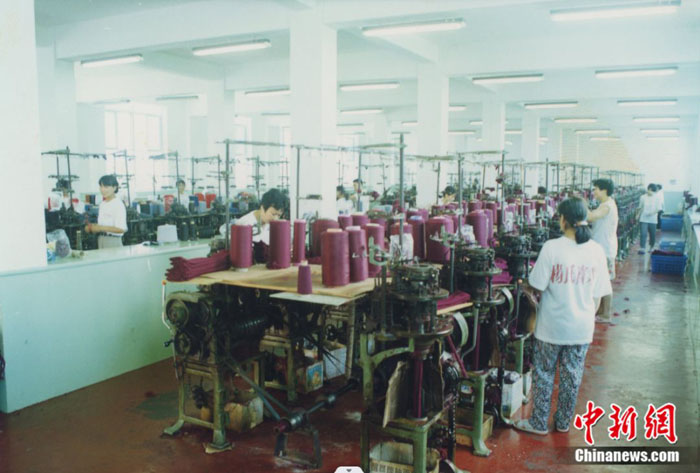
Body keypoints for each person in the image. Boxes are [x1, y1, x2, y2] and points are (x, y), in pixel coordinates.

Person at [515, 197, 612, 436]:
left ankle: (539, 423)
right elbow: (599, 297)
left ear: (563, 220)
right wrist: (584, 314)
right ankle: (563, 422)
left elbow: (537, 284)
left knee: (544, 374)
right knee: (572, 376)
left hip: (551, 327)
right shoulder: (596, 251)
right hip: (581, 328)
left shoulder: (552, 247)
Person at [587, 178, 618, 324]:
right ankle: (601, 311)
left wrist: (579, 205)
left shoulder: (607, 206)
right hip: (602, 247)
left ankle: (606, 314)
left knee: (604, 282)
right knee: (602, 280)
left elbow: (591, 217)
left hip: (605, 249)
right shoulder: (605, 204)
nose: (593, 192)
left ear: (604, 190)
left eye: (595, 189)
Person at [219, 188, 286, 244]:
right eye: (273, 214)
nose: (275, 218)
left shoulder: (269, 223)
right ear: (262, 207)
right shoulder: (246, 223)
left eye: (279, 215)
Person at [84, 175, 127, 249]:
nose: (103, 190)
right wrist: (92, 227)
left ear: (114, 188)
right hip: (101, 239)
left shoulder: (118, 204)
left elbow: (121, 229)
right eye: (101, 186)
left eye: (106, 187)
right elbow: (103, 225)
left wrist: (100, 228)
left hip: (113, 241)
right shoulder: (102, 204)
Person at [638, 184, 661, 254]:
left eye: (653, 192)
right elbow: (640, 207)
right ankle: (642, 247)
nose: (652, 193)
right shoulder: (643, 197)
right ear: (648, 189)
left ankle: (651, 247)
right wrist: (637, 215)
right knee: (643, 233)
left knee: (652, 234)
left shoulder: (657, 198)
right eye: (651, 191)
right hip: (643, 218)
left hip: (653, 219)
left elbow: (658, 208)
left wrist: (652, 213)